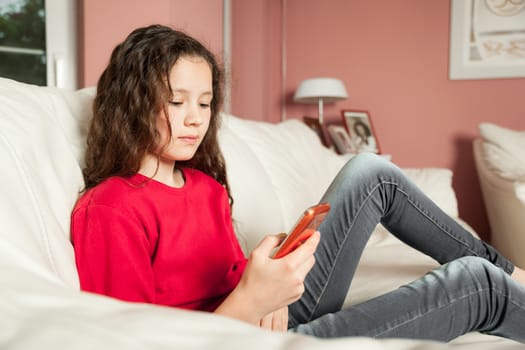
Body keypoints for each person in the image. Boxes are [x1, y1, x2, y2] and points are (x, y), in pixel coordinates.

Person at [70, 24, 525, 343]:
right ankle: (501, 280)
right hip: (231, 338)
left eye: (206, 103)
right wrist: (251, 299)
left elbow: (231, 277)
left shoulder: (204, 187)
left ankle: (512, 272)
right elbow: (129, 340)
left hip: (270, 316)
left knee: (370, 173)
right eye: (176, 100)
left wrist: (266, 271)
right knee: (475, 284)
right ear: (132, 102)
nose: (195, 119)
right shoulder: (111, 208)